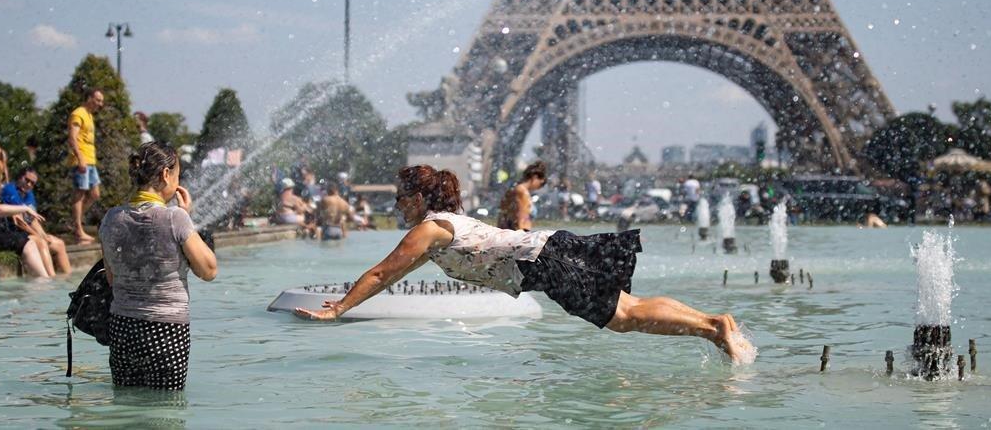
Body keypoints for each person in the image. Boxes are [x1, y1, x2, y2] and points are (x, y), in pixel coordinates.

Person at [293, 165, 751, 363]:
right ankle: (714, 324)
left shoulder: (429, 229)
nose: (396, 206)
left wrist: (338, 309)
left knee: (624, 318)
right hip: (546, 250)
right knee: (629, 306)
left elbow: (381, 273)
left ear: (416, 198)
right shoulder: (446, 222)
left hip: (543, 261)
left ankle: (713, 329)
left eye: (399, 199)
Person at [99, 142, 217, 391]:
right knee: (165, 411)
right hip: (165, 330)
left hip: (122, 328)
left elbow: (111, 278)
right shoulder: (176, 217)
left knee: (126, 406)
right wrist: (187, 216)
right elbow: (208, 270)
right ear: (165, 174)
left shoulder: (111, 218)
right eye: (177, 175)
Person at [0, 168, 72, 275]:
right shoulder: (10, 190)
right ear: (20, 177)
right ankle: (51, 277)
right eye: (27, 180)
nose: (29, 184)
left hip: (28, 235)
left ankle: (68, 279)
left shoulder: (29, 194)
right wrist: (38, 236)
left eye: (32, 183)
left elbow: (33, 220)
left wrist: (43, 235)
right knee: (41, 242)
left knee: (59, 244)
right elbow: (19, 222)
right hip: (14, 234)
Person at [68, 89, 105, 243]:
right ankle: (78, 230)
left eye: (101, 101)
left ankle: (74, 222)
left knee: (95, 194)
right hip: (82, 159)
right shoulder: (78, 114)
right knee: (80, 193)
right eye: (97, 100)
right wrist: (80, 158)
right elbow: (72, 137)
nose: (100, 104)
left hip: (90, 160)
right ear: (89, 98)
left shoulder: (89, 115)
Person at [497, 162, 548, 230]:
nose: (540, 187)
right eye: (541, 184)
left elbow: (503, 215)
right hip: (520, 234)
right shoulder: (522, 192)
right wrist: (525, 237)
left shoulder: (513, 189)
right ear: (534, 177)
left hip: (507, 233)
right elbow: (522, 220)